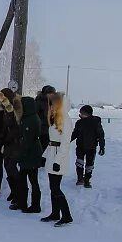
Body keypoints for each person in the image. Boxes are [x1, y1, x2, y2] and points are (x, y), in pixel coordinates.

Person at [42, 92, 73, 226]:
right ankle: (55, 213)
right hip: (51, 154)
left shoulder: (65, 120)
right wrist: (44, 156)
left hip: (58, 157)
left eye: (53, 104)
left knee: (55, 187)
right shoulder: (55, 118)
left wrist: (57, 161)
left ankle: (66, 215)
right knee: (52, 186)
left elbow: (65, 143)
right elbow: (51, 141)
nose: (51, 107)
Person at [13, 96, 43, 213]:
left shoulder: (30, 120)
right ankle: (23, 203)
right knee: (24, 180)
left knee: (32, 181)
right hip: (30, 153)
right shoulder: (29, 118)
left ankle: (34, 205)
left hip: (31, 154)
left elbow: (27, 141)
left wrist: (19, 155)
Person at [0, 88, 23, 206]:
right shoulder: (6, 110)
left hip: (15, 143)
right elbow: (5, 127)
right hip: (8, 144)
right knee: (7, 167)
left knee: (12, 168)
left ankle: (19, 195)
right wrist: (1, 139)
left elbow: (16, 128)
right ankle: (14, 191)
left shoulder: (15, 108)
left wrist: (7, 138)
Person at [71, 105, 105, 188]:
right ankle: (83, 179)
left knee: (84, 163)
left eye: (81, 113)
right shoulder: (81, 122)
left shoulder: (91, 122)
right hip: (85, 146)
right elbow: (75, 133)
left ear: (87, 114)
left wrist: (102, 147)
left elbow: (100, 135)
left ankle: (83, 180)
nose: (80, 114)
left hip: (87, 147)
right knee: (84, 163)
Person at [35, 85, 56, 152]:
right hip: (42, 130)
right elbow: (36, 114)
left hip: (50, 130)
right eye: (50, 94)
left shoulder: (52, 102)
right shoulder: (39, 102)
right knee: (42, 150)